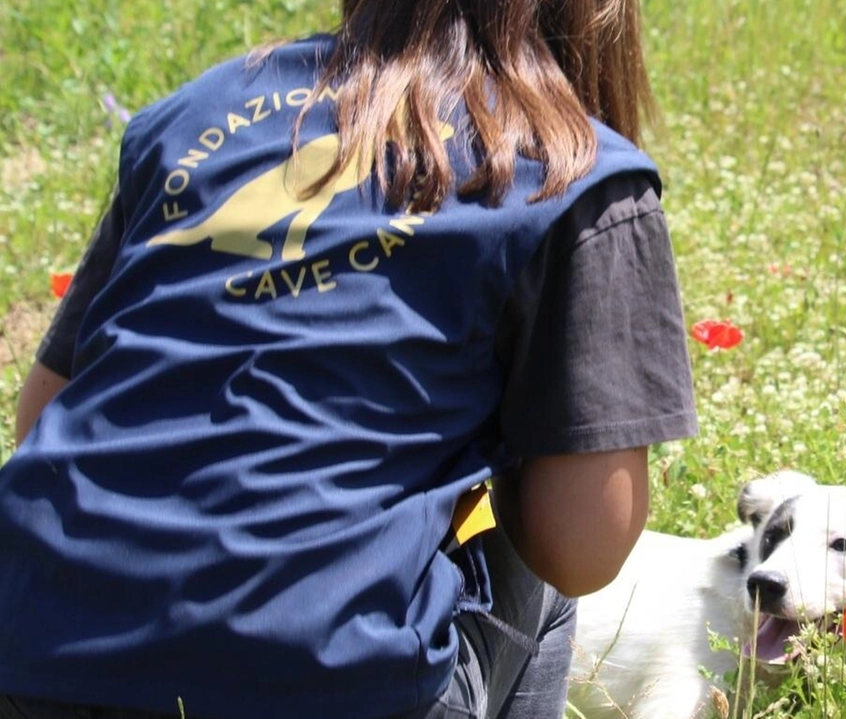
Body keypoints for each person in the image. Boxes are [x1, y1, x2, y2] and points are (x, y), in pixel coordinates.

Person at [0, 1, 697, 718]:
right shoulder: (575, 169)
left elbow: (42, 417)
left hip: (34, 647)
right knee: (537, 582)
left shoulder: (193, 113)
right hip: (334, 678)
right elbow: (581, 547)